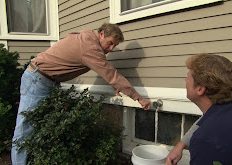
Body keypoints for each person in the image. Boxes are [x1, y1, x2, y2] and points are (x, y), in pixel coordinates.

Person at [11, 23, 151, 165]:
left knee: (39, 126)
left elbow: (104, 70)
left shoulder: (87, 36)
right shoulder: (91, 48)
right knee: (25, 129)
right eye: (110, 43)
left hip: (45, 79)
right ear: (101, 34)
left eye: (114, 46)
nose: (111, 49)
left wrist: (115, 83)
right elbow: (111, 74)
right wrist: (139, 98)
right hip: (38, 81)